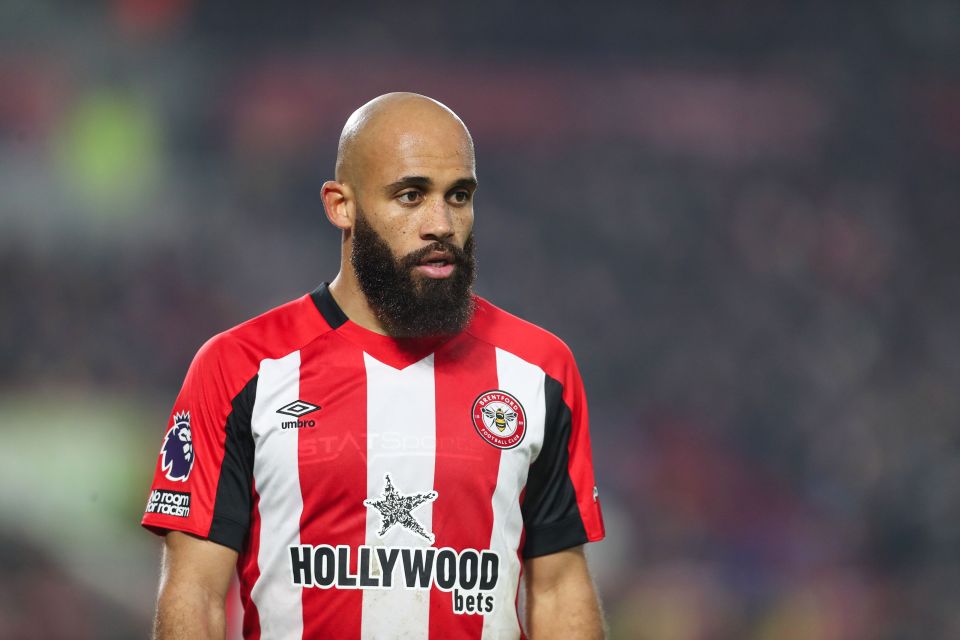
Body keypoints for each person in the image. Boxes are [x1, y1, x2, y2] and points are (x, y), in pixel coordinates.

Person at [142, 92, 606, 639]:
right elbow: (194, 592)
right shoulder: (241, 366)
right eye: (411, 196)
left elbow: (557, 586)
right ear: (341, 205)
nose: (442, 223)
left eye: (458, 196)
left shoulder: (539, 370)